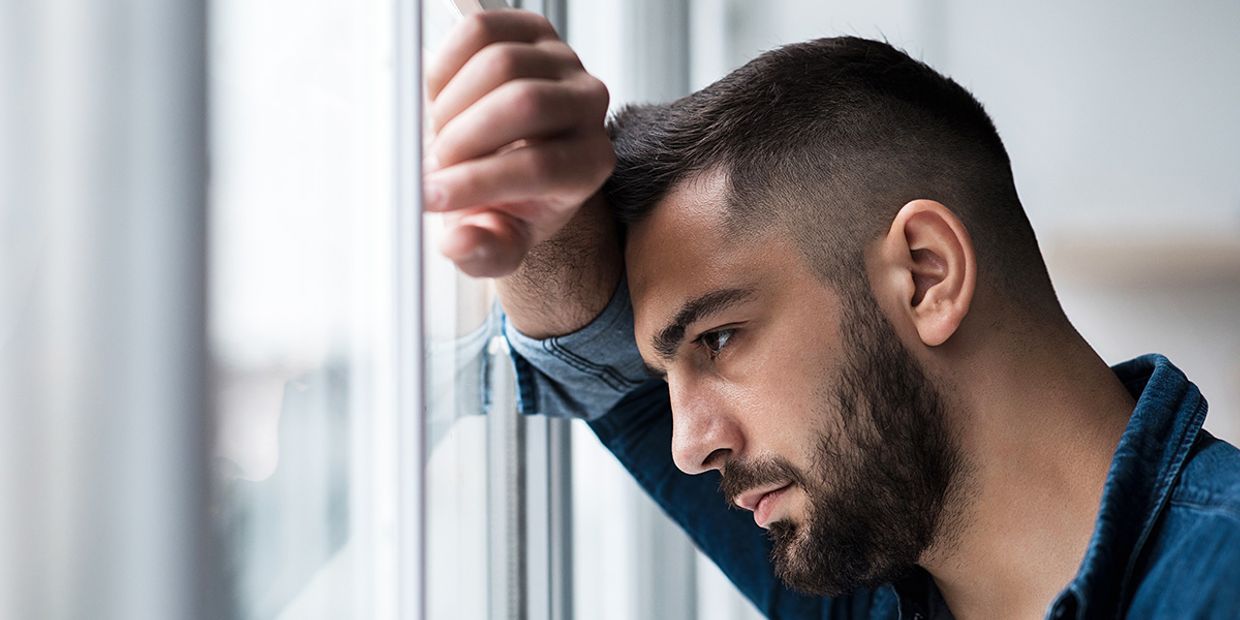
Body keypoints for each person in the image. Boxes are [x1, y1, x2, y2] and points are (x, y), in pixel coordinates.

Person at [424, 9, 1240, 619]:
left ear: (925, 276)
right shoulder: (870, 546)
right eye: (668, 371)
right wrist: (540, 214)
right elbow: (598, 363)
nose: (687, 446)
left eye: (718, 338)